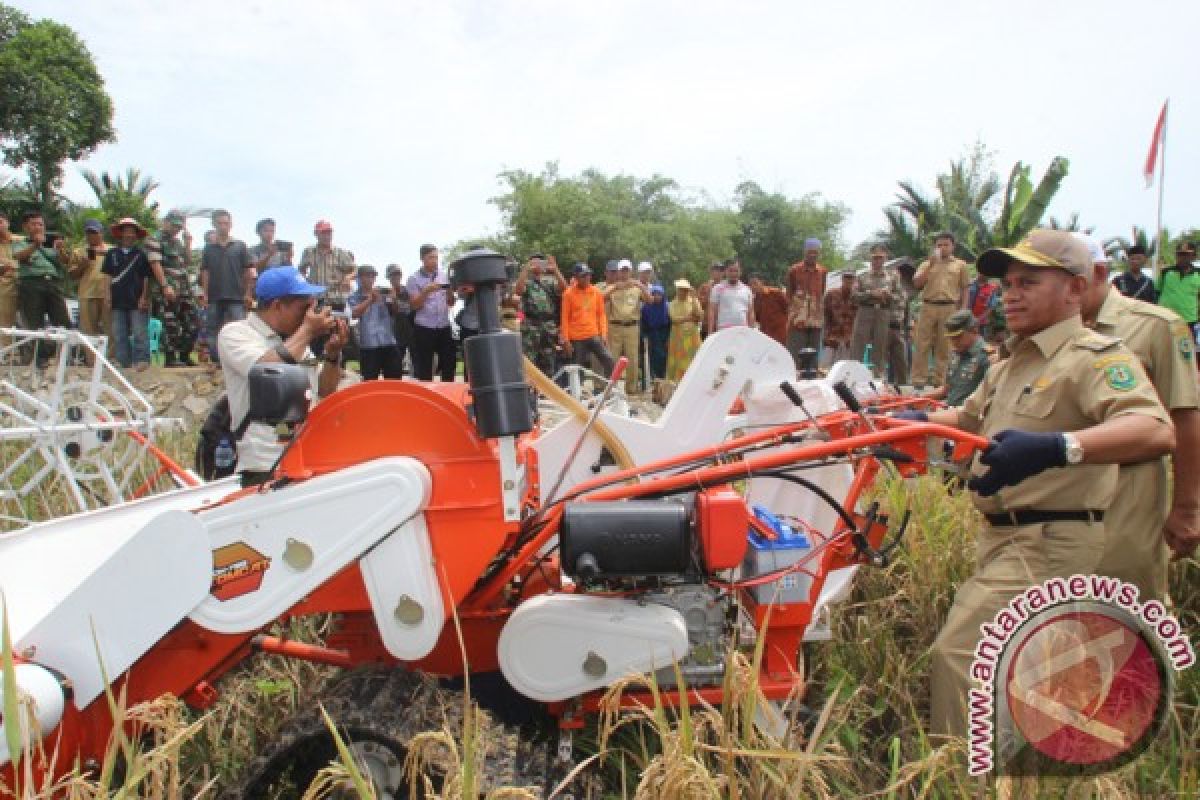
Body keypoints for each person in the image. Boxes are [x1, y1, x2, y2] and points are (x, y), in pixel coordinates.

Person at [898, 229, 1174, 740]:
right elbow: (967, 419)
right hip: (1004, 538)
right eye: (1007, 284)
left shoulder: (1094, 357)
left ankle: (960, 779)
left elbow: (1155, 429)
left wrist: (1057, 447)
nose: (1012, 293)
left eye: (1029, 281)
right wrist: (911, 426)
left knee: (963, 654)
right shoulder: (1012, 364)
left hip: (1051, 541)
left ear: (1074, 289)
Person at [1076, 235, 1200, 600]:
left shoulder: (1154, 326)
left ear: (1098, 273)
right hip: (1060, 494)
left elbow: (1185, 417)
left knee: (1127, 607)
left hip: (1129, 488)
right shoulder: (1047, 329)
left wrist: (1188, 507)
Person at [218, 266, 347, 487]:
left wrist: (332, 355)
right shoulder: (236, 334)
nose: (310, 313)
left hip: (304, 458)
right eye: (304, 306)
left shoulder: (295, 342)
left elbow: (325, 392)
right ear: (278, 305)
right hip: (263, 465)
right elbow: (267, 372)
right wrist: (307, 331)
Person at [102, 218, 174, 370]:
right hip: (117, 298)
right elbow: (107, 275)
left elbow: (147, 277)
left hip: (136, 299)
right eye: (126, 231)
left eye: (132, 232)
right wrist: (107, 295)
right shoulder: (112, 254)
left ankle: (142, 361)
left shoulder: (141, 255)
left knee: (139, 331)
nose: (129, 235)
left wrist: (144, 297)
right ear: (121, 234)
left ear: (136, 235)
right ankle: (123, 362)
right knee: (119, 333)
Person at [911, 231, 970, 387]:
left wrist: (963, 310)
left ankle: (941, 382)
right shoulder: (926, 264)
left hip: (949, 307)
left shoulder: (960, 265)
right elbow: (917, 284)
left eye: (946, 245)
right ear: (935, 247)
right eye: (939, 245)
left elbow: (965, 288)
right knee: (922, 343)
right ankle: (918, 380)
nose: (942, 248)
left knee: (945, 346)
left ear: (952, 246)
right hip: (928, 306)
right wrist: (930, 265)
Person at [198, 209, 255, 365]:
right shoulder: (208, 248)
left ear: (231, 225)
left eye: (226, 223)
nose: (223, 226)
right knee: (212, 330)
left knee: (241, 328)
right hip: (214, 296)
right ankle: (218, 361)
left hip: (236, 296)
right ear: (214, 224)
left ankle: (242, 361)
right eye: (220, 223)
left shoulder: (240, 246)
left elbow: (248, 271)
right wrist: (204, 293)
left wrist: (248, 293)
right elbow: (205, 271)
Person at [146, 210, 199, 366]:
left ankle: (184, 355)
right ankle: (170, 358)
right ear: (166, 222)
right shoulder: (154, 239)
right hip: (167, 287)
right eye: (174, 225)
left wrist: (188, 244)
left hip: (184, 288)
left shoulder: (177, 242)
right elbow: (155, 263)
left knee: (194, 322)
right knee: (170, 324)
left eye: (179, 227)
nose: (177, 229)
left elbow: (188, 262)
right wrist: (165, 285)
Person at [406, 244, 456, 381]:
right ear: (422, 258)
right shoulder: (414, 278)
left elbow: (451, 303)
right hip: (424, 327)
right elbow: (414, 305)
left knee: (449, 363)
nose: (435, 261)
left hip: (444, 326)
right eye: (431, 257)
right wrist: (425, 292)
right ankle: (427, 398)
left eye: (436, 257)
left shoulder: (444, 276)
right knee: (425, 367)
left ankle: (448, 395)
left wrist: (450, 292)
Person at [850, 246, 901, 377]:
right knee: (858, 344)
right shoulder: (861, 275)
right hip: (865, 311)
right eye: (875, 258)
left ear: (885, 258)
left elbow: (900, 297)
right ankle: (853, 374)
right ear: (870, 258)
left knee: (881, 345)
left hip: (883, 312)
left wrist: (888, 295)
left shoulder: (893, 276)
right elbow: (854, 295)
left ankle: (878, 376)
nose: (877, 260)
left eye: (880, 258)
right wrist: (871, 294)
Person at [515, 253, 566, 377]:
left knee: (549, 360)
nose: (537, 266)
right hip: (531, 325)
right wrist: (525, 271)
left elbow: (564, 288)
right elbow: (518, 290)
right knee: (529, 361)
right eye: (534, 263)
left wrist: (556, 270)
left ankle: (546, 391)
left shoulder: (549, 282)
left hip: (548, 325)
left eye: (540, 263)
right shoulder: (526, 282)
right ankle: (529, 391)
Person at [349, 264, 403, 380]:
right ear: (359, 278)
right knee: (369, 381)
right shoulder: (355, 296)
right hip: (369, 346)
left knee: (394, 382)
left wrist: (394, 299)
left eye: (373, 276)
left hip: (389, 342)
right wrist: (370, 300)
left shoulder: (383, 292)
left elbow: (395, 312)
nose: (370, 279)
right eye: (367, 276)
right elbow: (354, 314)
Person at [924, 310, 989, 407]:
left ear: (974, 331)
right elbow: (946, 389)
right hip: (949, 411)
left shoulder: (986, 357)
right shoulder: (956, 354)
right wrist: (917, 399)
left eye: (958, 337)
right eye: (951, 338)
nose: (954, 342)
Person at [560, 263, 615, 374]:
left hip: (593, 335)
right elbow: (564, 318)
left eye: (588, 275)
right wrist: (566, 340)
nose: (587, 278)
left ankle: (611, 387)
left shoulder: (596, 292)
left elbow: (601, 315)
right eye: (583, 276)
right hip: (576, 337)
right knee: (577, 368)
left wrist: (603, 334)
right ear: (576, 277)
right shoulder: (568, 294)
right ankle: (576, 391)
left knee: (609, 360)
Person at [604, 260, 648, 393]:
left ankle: (631, 389)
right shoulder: (612, 287)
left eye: (626, 270)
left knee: (633, 359)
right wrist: (616, 287)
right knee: (612, 358)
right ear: (618, 271)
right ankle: (611, 389)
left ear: (631, 271)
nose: (624, 273)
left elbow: (649, 300)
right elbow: (600, 298)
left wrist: (640, 285)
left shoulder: (636, 287)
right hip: (615, 327)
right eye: (622, 270)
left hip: (632, 327)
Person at [67, 219, 110, 344]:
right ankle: (91, 361)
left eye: (95, 232)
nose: (92, 235)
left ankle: (112, 360)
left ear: (101, 233)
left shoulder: (111, 250)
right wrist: (82, 265)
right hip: (87, 294)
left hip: (107, 295)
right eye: (89, 233)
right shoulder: (79, 252)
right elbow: (72, 275)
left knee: (111, 329)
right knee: (88, 331)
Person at [785, 238, 827, 365]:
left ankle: (812, 380)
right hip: (798, 319)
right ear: (805, 252)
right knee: (795, 354)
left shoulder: (822, 271)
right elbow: (789, 294)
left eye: (815, 252)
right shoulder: (794, 270)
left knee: (813, 355)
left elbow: (822, 292)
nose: (812, 255)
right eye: (810, 252)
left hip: (815, 320)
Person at [298, 219, 355, 309]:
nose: (327, 236)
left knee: (337, 322)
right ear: (316, 234)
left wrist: (348, 278)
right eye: (323, 233)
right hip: (315, 299)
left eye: (329, 233)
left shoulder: (340, 253)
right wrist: (305, 286)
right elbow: (301, 270)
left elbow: (354, 270)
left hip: (336, 299)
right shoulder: (308, 251)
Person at [1156, 242, 1200, 341]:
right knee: (1165, 350)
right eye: (1180, 254)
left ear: (1193, 256)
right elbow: (1156, 293)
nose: (1183, 257)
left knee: (1186, 353)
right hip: (1166, 320)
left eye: (1186, 254)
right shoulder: (1166, 272)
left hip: (1188, 321)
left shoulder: (1198, 274)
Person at [638, 261, 670, 384]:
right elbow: (644, 322)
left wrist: (668, 338)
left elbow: (669, 323)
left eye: (659, 294)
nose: (656, 297)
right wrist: (645, 335)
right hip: (650, 334)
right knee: (648, 357)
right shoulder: (646, 307)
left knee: (662, 358)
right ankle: (649, 380)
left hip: (663, 335)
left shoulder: (666, 307)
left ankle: (661, 380)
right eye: (654, 294)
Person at [666, 279, 703, 381]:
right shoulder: (672, 304)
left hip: (692, 337)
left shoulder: (693, 301)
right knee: (678, 359)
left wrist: (695, 298)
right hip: (677, 337)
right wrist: (689, 318)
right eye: (680, 290)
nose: (682, 292)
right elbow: (674, 319)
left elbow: (699, 315)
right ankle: (676, 381)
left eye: (685, 290)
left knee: (693, 359)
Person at [707, 260, 756, 332]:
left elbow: (751, 313)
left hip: (743, 331)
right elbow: (712, 311)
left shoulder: (747, 290)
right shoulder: (717, 288)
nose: (733, 273)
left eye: (736, 271)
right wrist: (710, 332)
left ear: (740, 272)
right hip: (723, 330)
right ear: (725, 272)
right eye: (730, 271)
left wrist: (752, 331)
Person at [821, 271, 857, 367]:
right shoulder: (831, 294)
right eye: (846, 278)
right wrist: (825, 335)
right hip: (832, 336)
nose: (848, 281)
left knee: (844, 368)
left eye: (851, 278)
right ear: (842, 279)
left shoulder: (857, 297)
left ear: (854, 280)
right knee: (825, 366)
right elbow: (825, 316)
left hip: (849, 338)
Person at [384, 264, 413, 374]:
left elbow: (410, 308)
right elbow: (392, 312)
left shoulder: (408, 290)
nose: (396, 277)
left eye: (398, 274)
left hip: (411, 331)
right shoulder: (386, 293)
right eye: (393, 275)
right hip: (395, 333)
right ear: (388, 277)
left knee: (418, 365)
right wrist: (393, 298)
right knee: (395, 367)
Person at [749, 273, 789, 346]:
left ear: (762, 282)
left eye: (755, 283)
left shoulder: (775, 293)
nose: (753, 287)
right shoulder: (754, 300)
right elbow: (756, 318)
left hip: (780, 332)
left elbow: (787, 308)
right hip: (766, 335)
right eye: (751, 284)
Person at [0, 212, 19, 355]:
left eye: (1, 222)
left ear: (7, 223)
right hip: (4, 286)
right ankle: (9, 354)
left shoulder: (20, 240)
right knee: (5, 320)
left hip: (24, 283)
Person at [965, 272, 999, 338]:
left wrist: (978, 320)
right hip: (965, 319)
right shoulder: (968, 284)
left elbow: (991, 307)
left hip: (981, 323)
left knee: (980, 342)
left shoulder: (992, 288)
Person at [697, 261, 724, 336]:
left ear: (723, 273)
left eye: (720, 270)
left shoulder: (726, 287)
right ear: (711, 272)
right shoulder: (704, 287)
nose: (717, 273)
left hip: (722, 325)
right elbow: (699, 304)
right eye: (715, 270)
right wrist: (709, 293)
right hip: (706, 325)